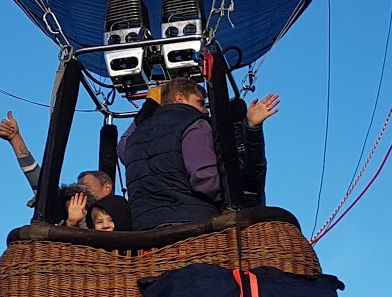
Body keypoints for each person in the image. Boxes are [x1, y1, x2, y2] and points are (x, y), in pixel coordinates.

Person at [118, 79, 279, 230]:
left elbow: (122, 147)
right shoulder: (195, 124)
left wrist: (149, 105)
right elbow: (205, 180)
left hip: (143, 229)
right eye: (200, 103)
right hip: (190, 225)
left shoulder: (135, 136)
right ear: (179, 98)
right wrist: (234, 197)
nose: (205, 110)